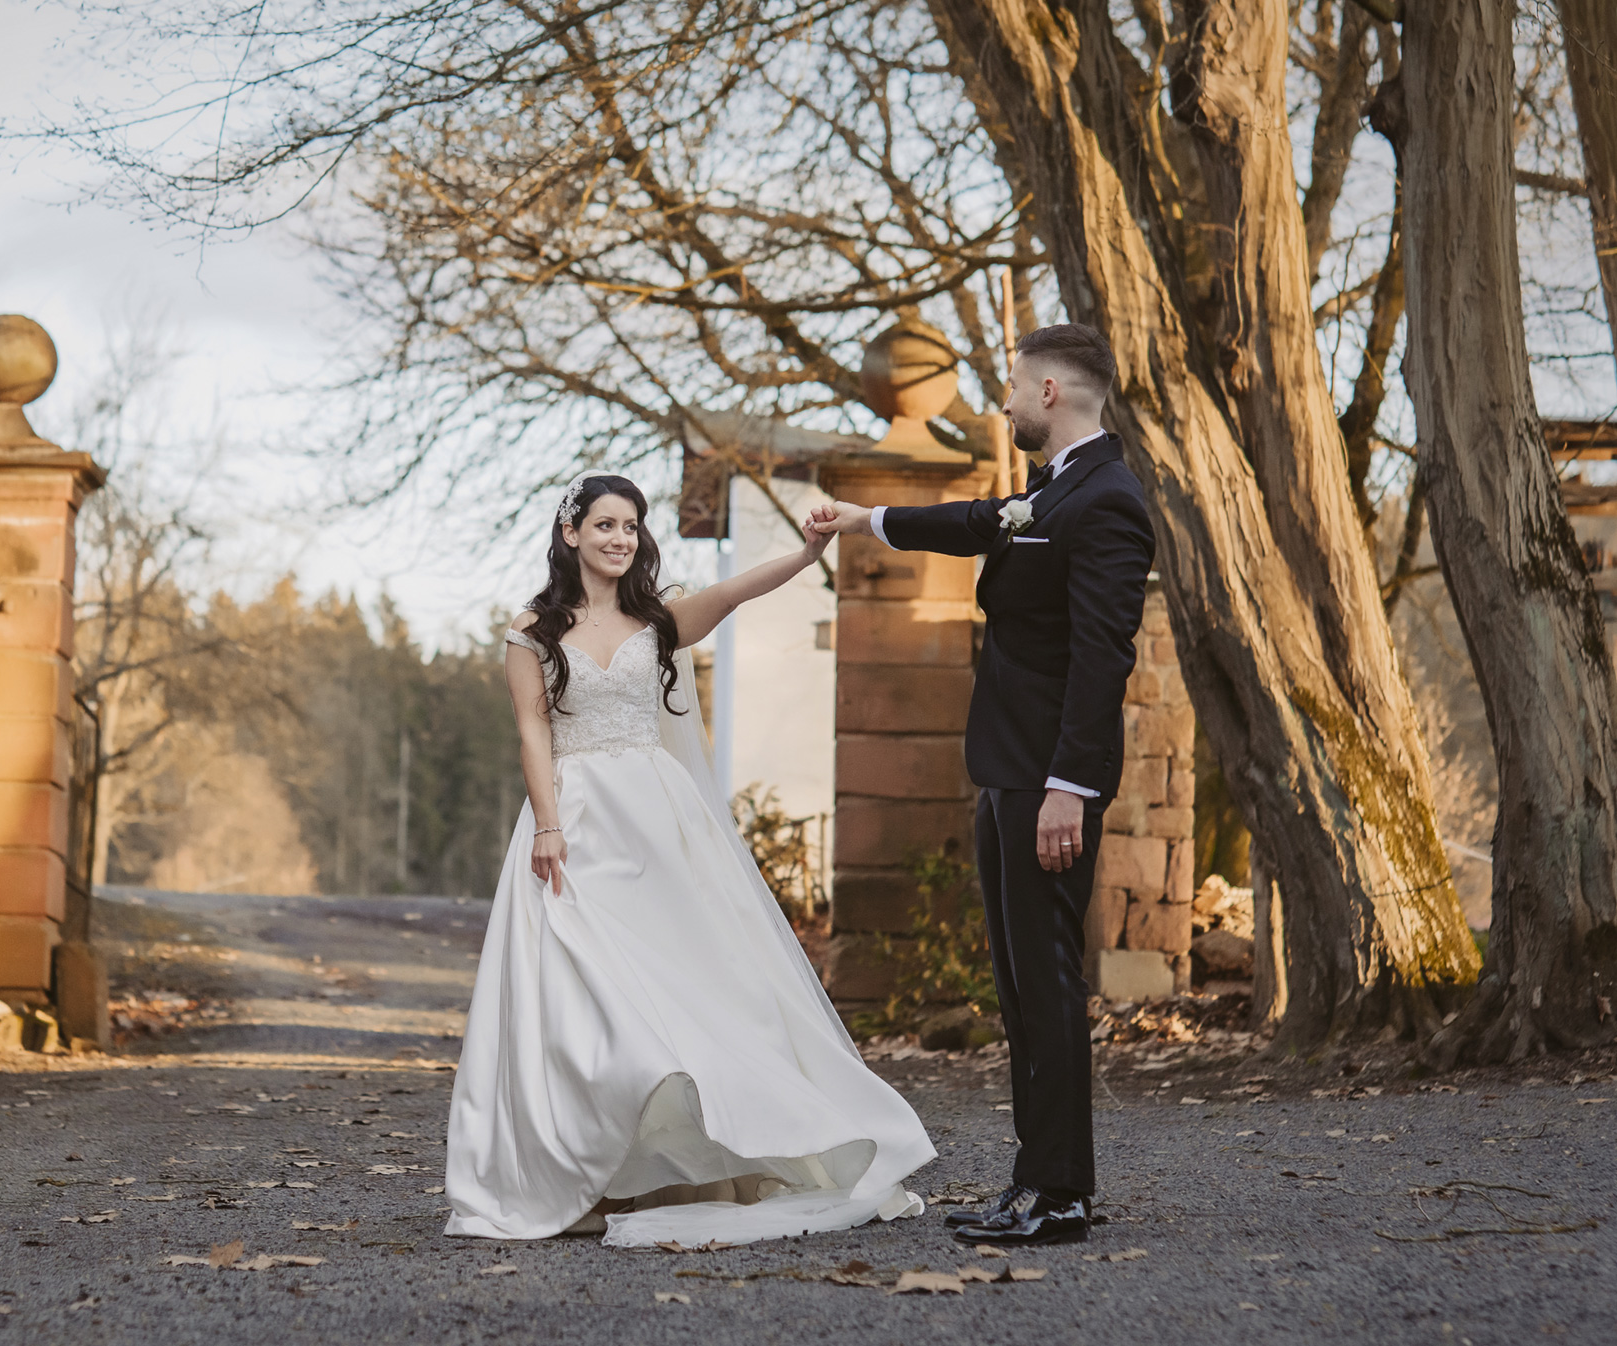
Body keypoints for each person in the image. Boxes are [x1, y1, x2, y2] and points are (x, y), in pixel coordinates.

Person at [444, 473, 935, 1247]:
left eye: (631, 526)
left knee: (693, 987)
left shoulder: (658, 619)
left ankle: (709, 1151)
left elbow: (738, 590)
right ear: (570, 532)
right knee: (583, 997)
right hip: (576, 822)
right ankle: (579, 1172)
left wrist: (809, 554)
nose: (620, 538)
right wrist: (546, 823)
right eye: (605, 524)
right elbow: (533, 730)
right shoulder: (531, 631)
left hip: (659, 825)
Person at [805, 322, 1154, 1248]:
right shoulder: (1055, 488)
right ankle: (1035, 1182)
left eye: (1012, 384)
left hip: (1047, 780)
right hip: (1006, 770)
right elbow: (972, 522)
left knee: (1047, 983)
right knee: (1019, 987)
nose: (1001, 400)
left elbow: (1101, 656)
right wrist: (864, 520)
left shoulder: (1108, 500)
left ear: (1051, 392)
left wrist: (1069, 787)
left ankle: (1062, 1197)